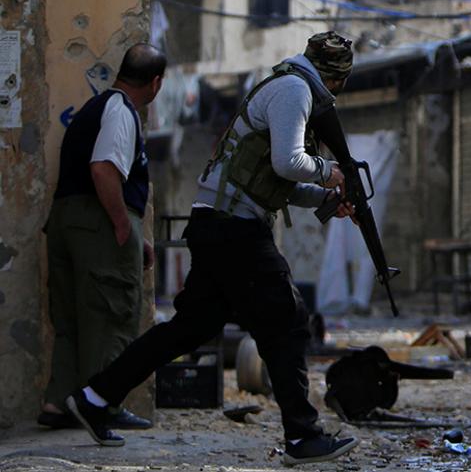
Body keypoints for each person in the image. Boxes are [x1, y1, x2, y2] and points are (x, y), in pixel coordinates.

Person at [65, 31, 360, 466]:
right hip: (233, 229)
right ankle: (303, 435)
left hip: (218, 223)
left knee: (186, 330)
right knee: (287, 319)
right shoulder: (295, 90)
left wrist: (325, 200)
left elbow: (276, 183)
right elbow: (289, 163)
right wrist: (329, 171)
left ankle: (94, 397)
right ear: (335, 78)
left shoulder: (284, 85)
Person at [39, 44, 166, 431]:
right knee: (111, 316)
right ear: (156, 83)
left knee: (72, 320)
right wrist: (123, 225)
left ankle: (59, 404)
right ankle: (101, 406)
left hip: (66, 220)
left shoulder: (94, 109)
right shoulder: (121, 111)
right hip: (98, 221)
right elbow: (103, 170)